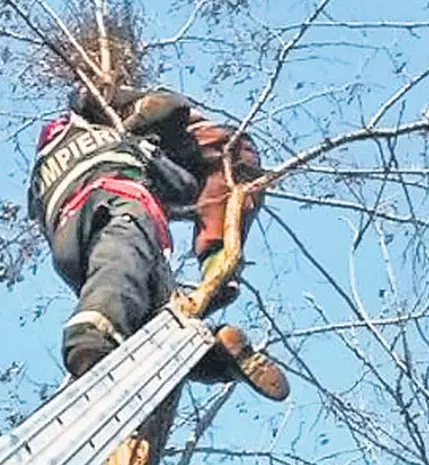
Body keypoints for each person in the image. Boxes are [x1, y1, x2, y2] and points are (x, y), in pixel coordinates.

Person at [28, 84, 288, 401]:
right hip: (117, 202)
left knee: (148, 311)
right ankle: (91, 340)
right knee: (122, 258)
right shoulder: (107, 117)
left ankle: (212, 354)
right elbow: (169, 109)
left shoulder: (45, 165)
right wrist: (142, 139)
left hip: (67, 242)